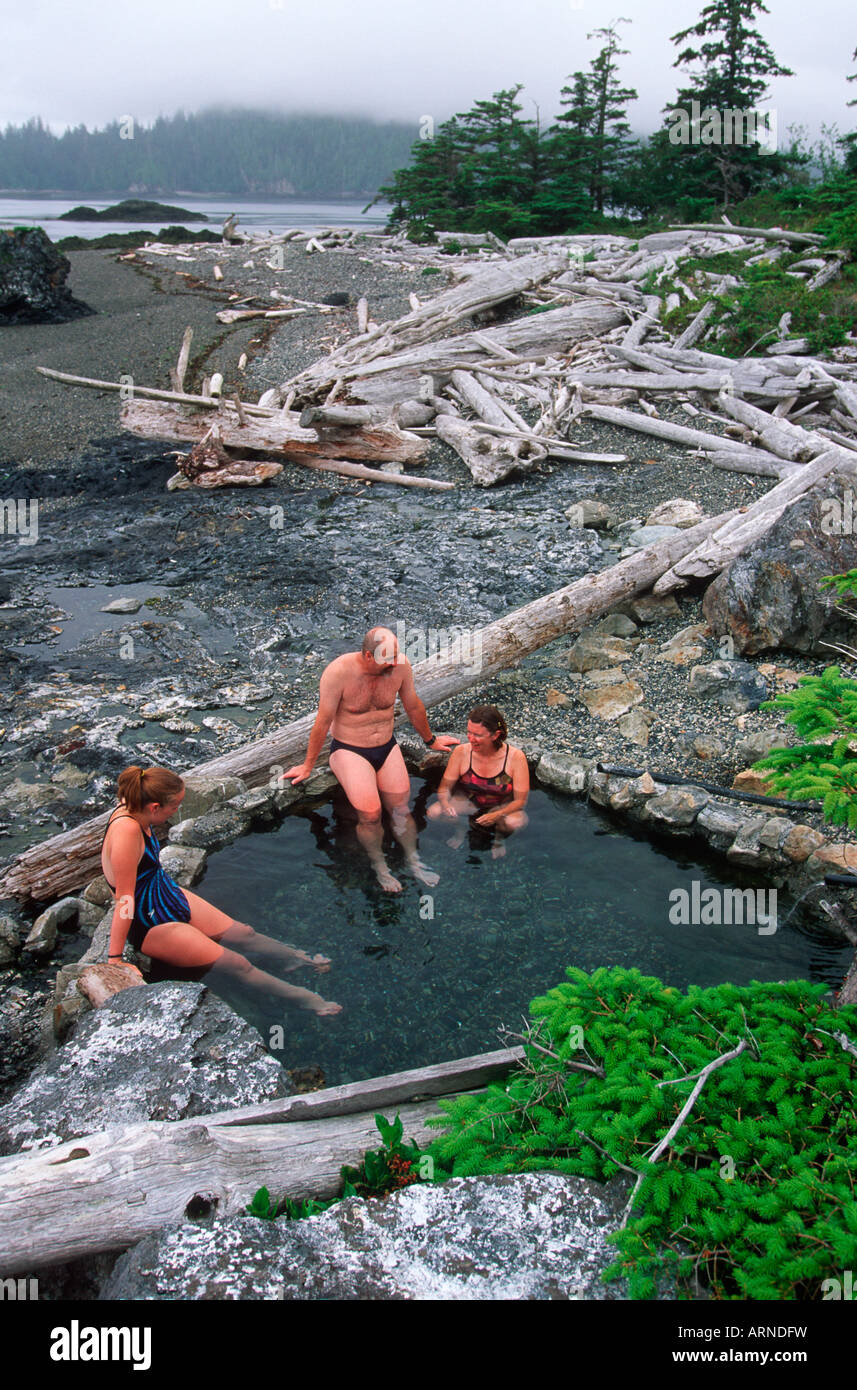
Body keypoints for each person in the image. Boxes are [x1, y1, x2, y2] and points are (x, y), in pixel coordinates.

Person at [101, 765, 342, 1016]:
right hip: (148, 921)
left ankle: (295, 957)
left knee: (243, 933)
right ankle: (303, 998)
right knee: (237, 964)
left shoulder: (135, 798)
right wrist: (116, 960)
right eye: (175, 807)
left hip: (164, 892)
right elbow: (125, 899)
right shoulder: (127, 832)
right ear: (154, 808)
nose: (178, 811)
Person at [284, 626, 458, 893]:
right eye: (386, 658)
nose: (393, 663)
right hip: (349, 750)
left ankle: (414, 859)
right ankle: (381, 867)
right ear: (367, 655)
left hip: (386, 747)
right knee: (370, 814)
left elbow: (412, 705)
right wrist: (308, 765)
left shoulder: (399, 666)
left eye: (396, 655)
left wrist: (431, 741)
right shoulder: (338, 672)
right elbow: (323, 721)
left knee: (401, 809)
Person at [427, 705, 529, 856]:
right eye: (469, 732)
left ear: (495, 735)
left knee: (515, 822)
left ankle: (499, 840)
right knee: (434, 812)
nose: (470, 738)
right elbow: (444, 788)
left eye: (478, 735)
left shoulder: (515, 758)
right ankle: (461, 829)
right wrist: (446, 804)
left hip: (500, 805)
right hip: (469, 802)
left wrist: (497, 815)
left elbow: (520, 801)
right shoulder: (462, 752)